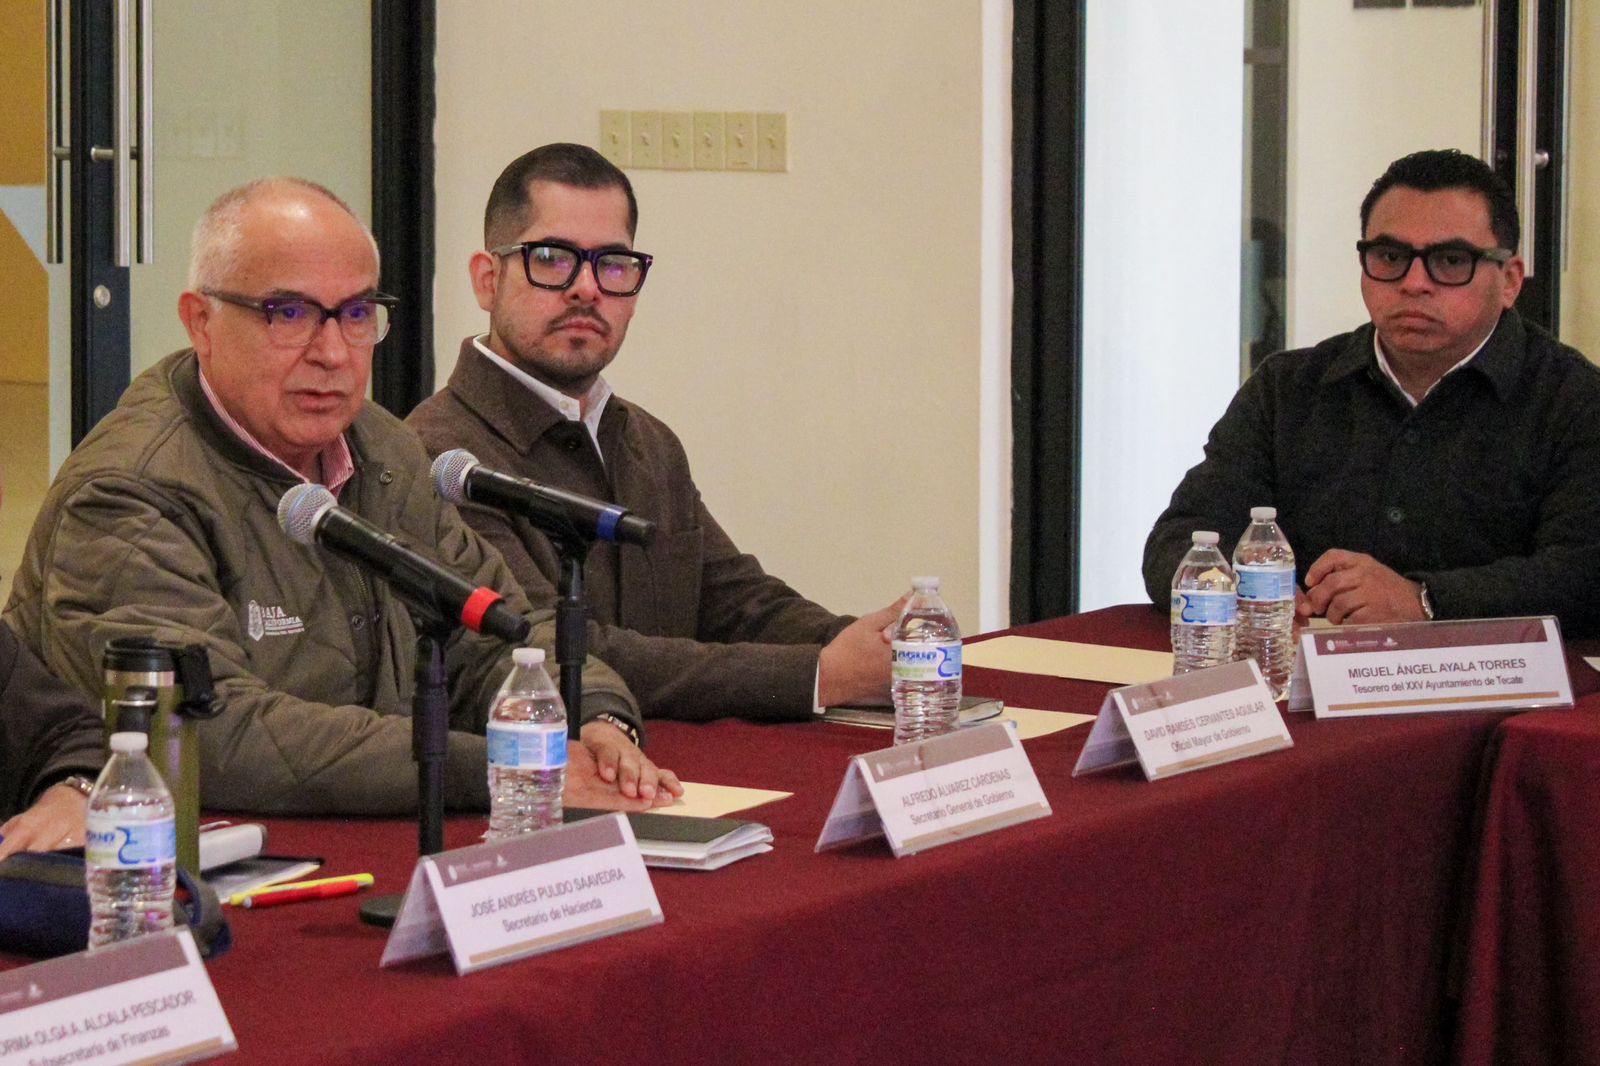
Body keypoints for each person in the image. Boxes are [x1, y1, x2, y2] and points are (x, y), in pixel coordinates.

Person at [4, 177, 681, 816]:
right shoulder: (127, 493)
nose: (332, 352)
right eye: (290, 313)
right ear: (201, 322)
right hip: (190, 858)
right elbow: (211, 734)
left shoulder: (382, 449)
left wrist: (594, 715)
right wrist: (507, 766)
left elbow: (499, 633)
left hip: (369, 830)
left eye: (356, 314)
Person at [408, 144, 899, 721]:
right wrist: (821, 674)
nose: (586, 288)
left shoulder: (647, 439)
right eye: (553, 258)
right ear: (487, 280)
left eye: (613, 265)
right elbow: (554, 653)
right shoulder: (440, 455)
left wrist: (871, 645)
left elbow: (733, 599)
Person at [1143, 149, 1600, 636]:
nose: (1414, 283)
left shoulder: (1575, 400)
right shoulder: (1288, 389)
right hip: (1304, 664)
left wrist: (1425, 600)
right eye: (1390, 257)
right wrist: (1243, 592)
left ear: (1509, 281)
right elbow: (1181, 539)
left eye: (1450, 261)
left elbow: (1584, 574)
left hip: (1501, 676)